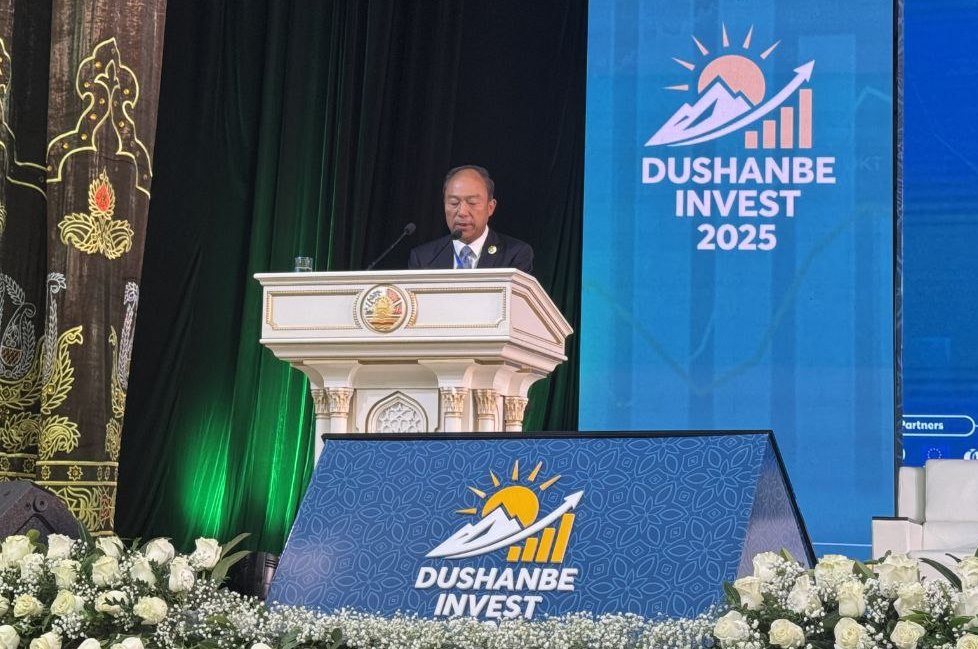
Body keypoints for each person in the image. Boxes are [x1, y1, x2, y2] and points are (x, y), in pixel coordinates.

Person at [408, 165, 533, 274]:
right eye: (454, 203)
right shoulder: (423, 258)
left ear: (490, 207)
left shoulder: (514, 254)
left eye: (472, 202)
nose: (462, 212)